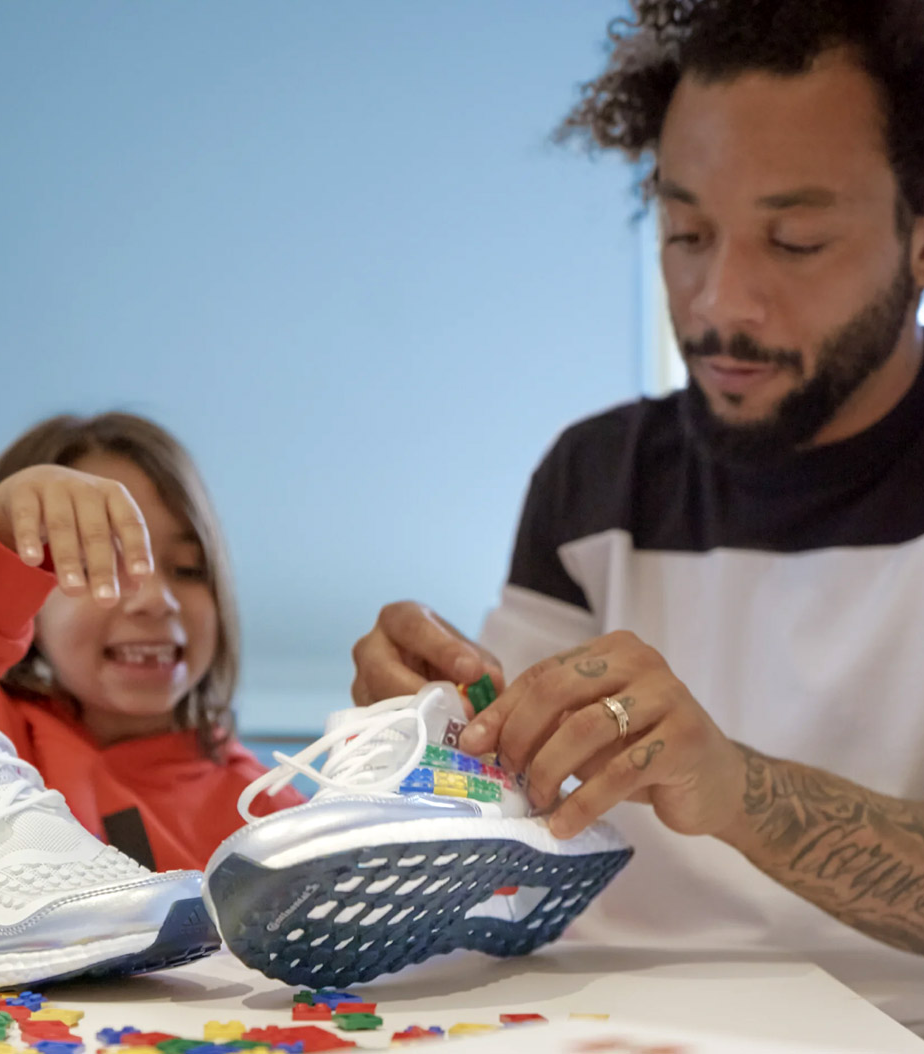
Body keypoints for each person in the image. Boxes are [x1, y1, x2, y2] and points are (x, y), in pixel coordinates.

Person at [351, 0, 924, 1033]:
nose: (719, 302)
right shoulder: (593, 479)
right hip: (588, 1023)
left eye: (795, 241)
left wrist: (737, 789)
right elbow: (512, 834)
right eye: (685, 234)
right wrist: (427, 740)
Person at [0, 412, 302, 872]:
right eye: (98, 563)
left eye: (187, 568)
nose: (156, 600)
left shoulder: (271, 811)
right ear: (29, 599)